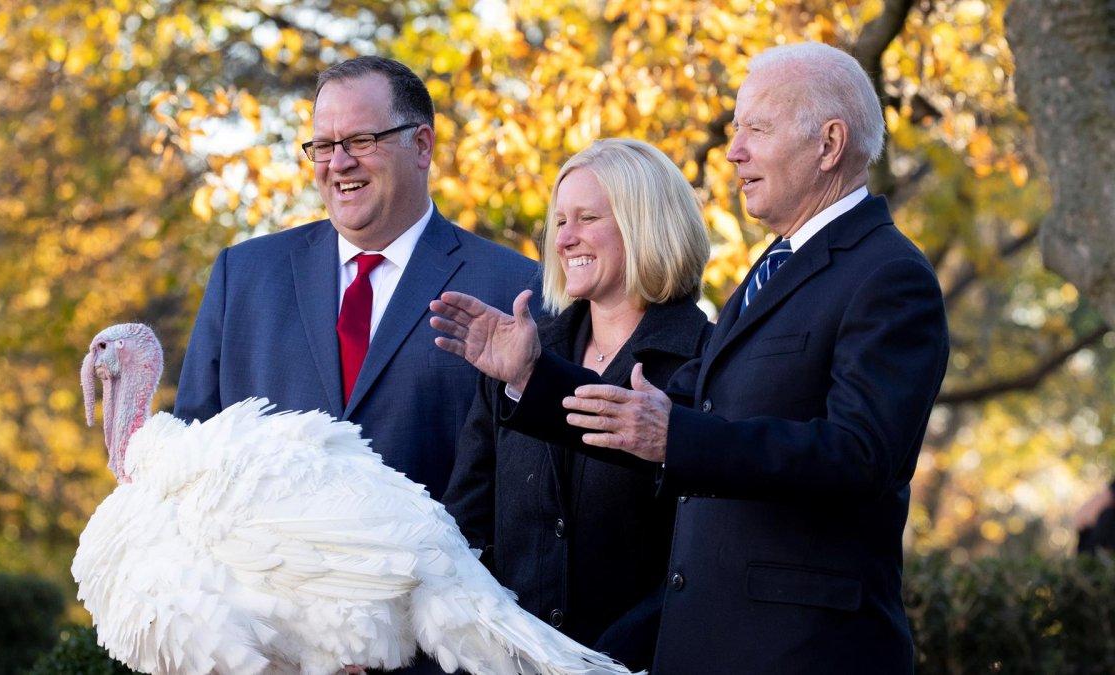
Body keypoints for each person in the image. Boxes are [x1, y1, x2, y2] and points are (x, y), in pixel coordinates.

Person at [431, 42, 950, 673]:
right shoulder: (775, 270)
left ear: (829, 144)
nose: (734, 151)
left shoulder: (888, 274)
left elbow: (861, 456)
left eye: (756, 129)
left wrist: (676, 437)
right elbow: (655, 420)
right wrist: (531, 378)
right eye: (736, 131)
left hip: (805, 652)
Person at [174, 56, 537, 513]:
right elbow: (189, 458)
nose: (339, 163)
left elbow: (531, 483)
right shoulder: (243, 276)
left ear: (422, 145)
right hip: (264, 579)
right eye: (323, 146)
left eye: (361, 141)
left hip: (437, 578)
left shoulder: (514, 288)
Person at [441, 139, 712, 671]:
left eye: (587, 217)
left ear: (645, 224)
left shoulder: (707, 361)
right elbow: (465, 523)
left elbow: (703, 552)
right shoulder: (520, 351)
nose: (565, 239)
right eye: (559, 221)